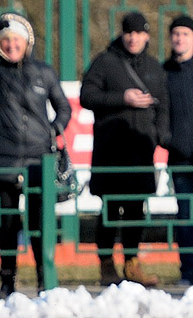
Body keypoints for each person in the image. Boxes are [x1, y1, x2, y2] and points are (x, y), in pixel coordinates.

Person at [0, 14, 71, 299]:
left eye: (17, 40)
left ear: (28, 43)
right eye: (6, 41)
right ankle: (7, 283)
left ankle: (43, 279)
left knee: (38, 224)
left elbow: (63, 106)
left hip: (39, 159)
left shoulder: (44, 72)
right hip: (2, 158)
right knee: (8, 224)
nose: (12, 46)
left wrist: (54, 129)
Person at [81, 11, 169, 288]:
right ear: (122, 34)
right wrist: (123, 98)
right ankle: (106, 265)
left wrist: (156, 136)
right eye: (128, 32)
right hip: (110, 152)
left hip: (141, 153)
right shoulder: (105, 62)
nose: (133, 38)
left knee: (135, 210)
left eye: (138, 33)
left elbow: (164, 107)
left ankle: (132, 264)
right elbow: (87, 95)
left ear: (147, 36)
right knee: (110, 210)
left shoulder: (155, 68)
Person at [165, 15, 193, 287]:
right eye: (176, 34)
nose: (180, 38)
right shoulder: (164, 72)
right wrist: (168, 140)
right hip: (180, 160)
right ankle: (188, 273)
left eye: (185, 33)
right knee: (185, 218)